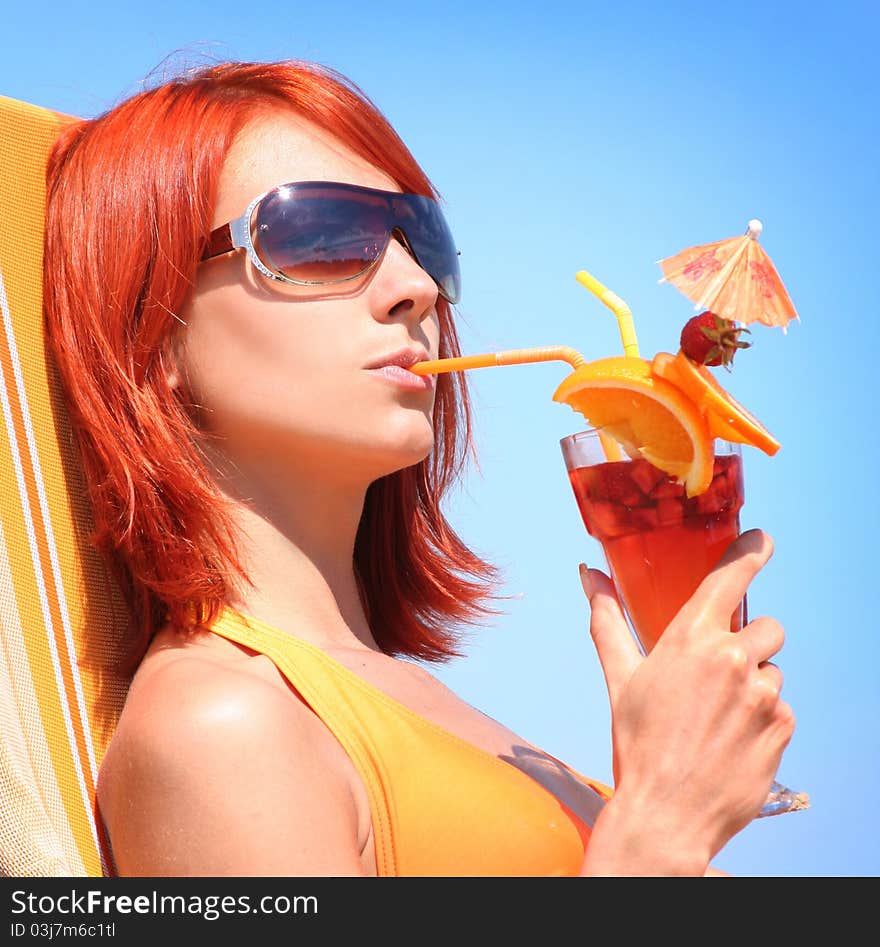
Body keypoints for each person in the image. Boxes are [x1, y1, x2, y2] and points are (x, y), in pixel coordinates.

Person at [42, 59, 794, 877]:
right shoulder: (219, 723)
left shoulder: (420, 708)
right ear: (154, 328)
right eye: (319, 235)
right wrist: (658, 830)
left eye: (421, 242)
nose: (415, 288)